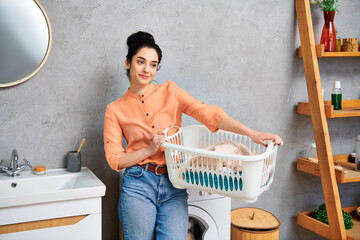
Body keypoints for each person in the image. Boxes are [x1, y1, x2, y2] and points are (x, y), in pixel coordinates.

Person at [103, 31, 282, 240]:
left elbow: (209, 114)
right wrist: (149, 149)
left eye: (153, 64)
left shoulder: (171, 91)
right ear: (128, 63)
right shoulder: (114, 110)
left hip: (174, 181)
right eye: (140, 62)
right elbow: (115, 159)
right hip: (138, 185)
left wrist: (252, 134)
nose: (146, 69)